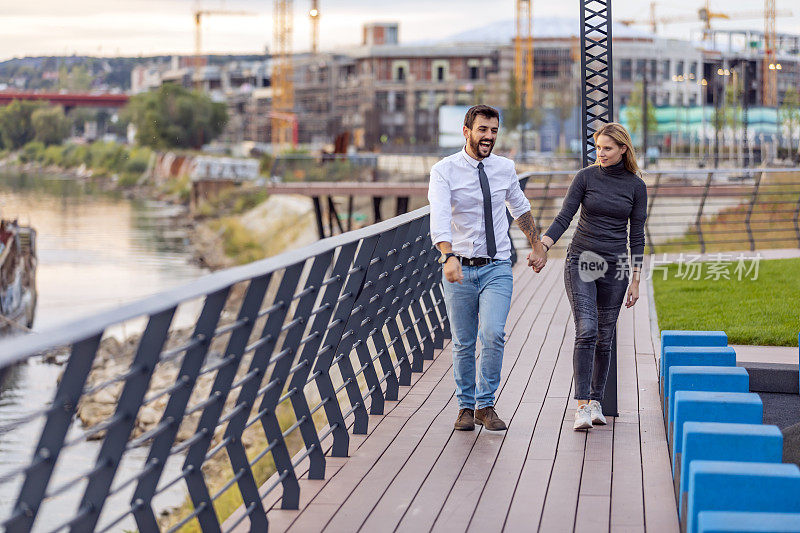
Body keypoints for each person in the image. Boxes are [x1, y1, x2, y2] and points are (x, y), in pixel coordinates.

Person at [428, 105, 547, 432]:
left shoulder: (504, 167)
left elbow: (519, 207)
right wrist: (447, 256)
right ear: (466, 131)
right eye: (483, 130)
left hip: (496, 266)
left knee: (493, 334)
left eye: (494, 131)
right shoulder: (444, 170)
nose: (489, 137)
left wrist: (537, 244)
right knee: (464, 341)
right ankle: (466, 407)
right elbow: (438, 217)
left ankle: (486, 404)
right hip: (459, 268)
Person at [537, 122, 647, 431]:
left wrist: (635, 279)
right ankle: (581, 405)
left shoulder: (636, 186)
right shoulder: (585, 178)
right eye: (597, 147)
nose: (600, 153)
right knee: (587, 328)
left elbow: (636, 236)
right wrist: (544, 245)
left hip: (615, 267)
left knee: (605, 337)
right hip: (582, 261)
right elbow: (564, 216)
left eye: (607, 148)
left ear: (623, 149)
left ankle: (596, 402)